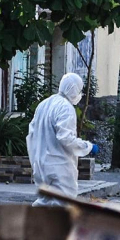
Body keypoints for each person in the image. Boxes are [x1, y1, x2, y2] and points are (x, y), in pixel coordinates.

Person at [27, 73, 99, 206]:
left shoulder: (44, 104)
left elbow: (32, 133)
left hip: (40, 165)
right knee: (63, 203)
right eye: (78, 90)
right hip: (58, 166)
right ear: (73, 89)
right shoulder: (66, 108)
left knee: (44, 201)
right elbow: (66, 138)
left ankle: (34, 225)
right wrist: (87, 147)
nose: (79, 94)